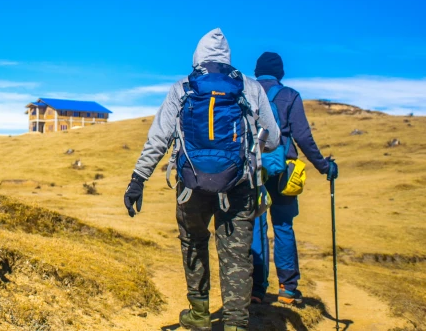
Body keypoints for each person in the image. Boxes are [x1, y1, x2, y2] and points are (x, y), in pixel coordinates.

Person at [123, 29, 280, 331]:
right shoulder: (249, 87)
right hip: (239, 185)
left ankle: (198, 313)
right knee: (236, 254)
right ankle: (235, 324)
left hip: (191, 185)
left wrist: (138, 179)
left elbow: (159, 138)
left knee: (193, 241)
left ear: (197, 56)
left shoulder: (182, 87)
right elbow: (272, 139)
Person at [250, 52, 339, 305]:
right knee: (283, 227)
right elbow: (303, 137)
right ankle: (287, 289)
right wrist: (324, 167)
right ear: (281, 73)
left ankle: (256, 289)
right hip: (283, 171)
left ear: (257, 72)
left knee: (257, 226)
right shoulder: (290, 95)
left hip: (253, 170)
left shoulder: (248, 94)